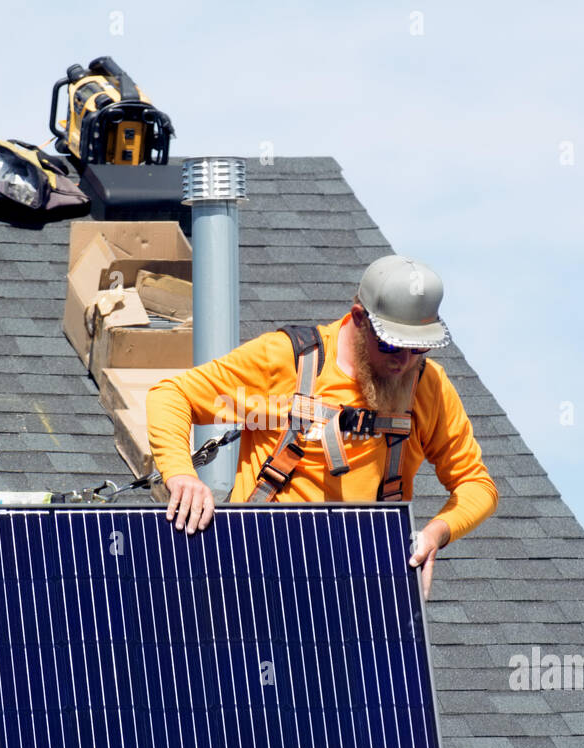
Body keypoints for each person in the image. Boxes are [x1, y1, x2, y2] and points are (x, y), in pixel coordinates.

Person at [146, 255, 498, 598]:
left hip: (360, 583)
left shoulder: (428, 386)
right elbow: (172, 396)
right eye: (391, 344)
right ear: (359, 318)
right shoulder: (288, 361)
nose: (403, 362)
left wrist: (437, 532)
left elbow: (476, 484)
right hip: (253, 572)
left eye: (417, 348)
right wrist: (182, 474)